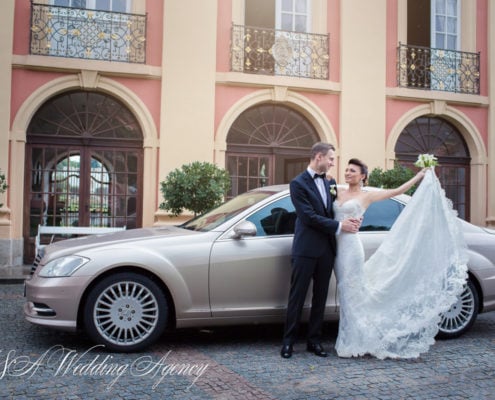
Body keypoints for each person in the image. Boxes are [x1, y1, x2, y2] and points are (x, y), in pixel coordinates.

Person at [333, 158, 468, 359]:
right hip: (336, 247)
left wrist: (419, 176)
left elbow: (396, 192)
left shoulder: (367, 196)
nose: (347, 173)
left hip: (351, 248)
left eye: (352, 170)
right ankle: (354, 336)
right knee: (345, 292)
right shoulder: (337, 191)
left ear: (362, 176)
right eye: (346, 169)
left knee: (351, 291)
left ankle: (357, 339)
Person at [281, 143, 361, 359]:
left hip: (327, 249)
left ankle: (314, 341)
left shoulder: (331, 182)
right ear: (318, 157)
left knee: (321, 298)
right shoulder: (297, 184)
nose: (334, 163)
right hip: (305, 249)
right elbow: (308, 217)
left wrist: (354, 218)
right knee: (297, 297)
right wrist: (339, 226)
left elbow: (340, 208)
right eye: (331, 159)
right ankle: (288, 342)